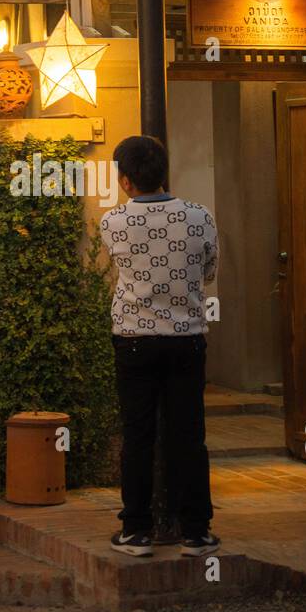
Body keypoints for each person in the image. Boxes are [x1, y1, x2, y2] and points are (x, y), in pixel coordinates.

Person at [99, 135, 220, 558]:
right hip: (186, 339)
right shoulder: (199, 216)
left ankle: (135, 530)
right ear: (163, 173)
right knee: (188, 434)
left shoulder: (112, 222)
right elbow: (208, 271)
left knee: (138, 434)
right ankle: (197, 530)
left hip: (134, 339)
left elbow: (118, 265)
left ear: (127, 179)